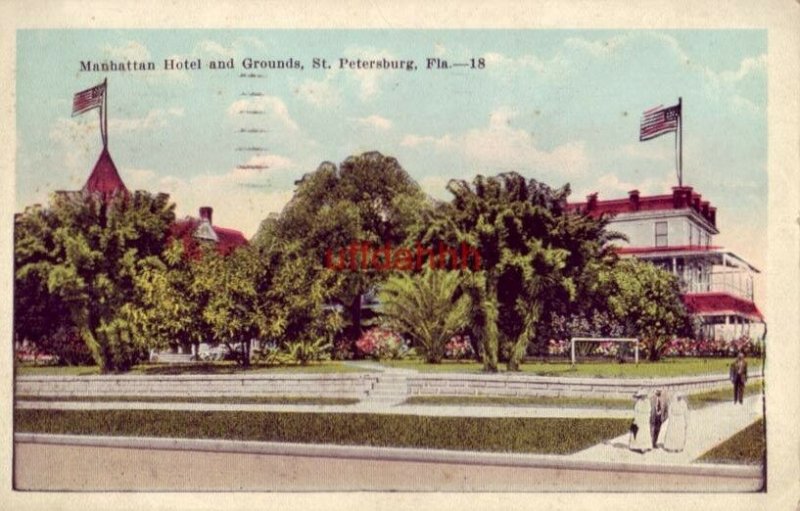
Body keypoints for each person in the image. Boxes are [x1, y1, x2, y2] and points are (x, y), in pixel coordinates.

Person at [629, 389, 653, 453]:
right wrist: (636, 419)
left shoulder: (648, 402)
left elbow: (649, 411)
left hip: (645, 419)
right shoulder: (638, 403)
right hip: (639, 419)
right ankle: (636, 446)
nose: (643, 397)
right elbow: (636, 412)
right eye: (642, 396)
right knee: (638, 432)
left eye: (644, 396)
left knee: (645, 432)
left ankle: (645, 446)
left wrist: (648, 417)